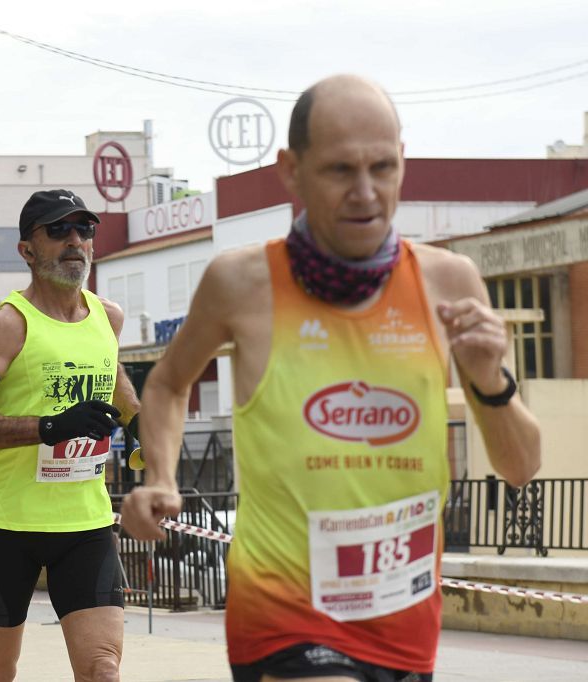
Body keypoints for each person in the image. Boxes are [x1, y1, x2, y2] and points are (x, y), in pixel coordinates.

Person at [120, 75, 541, 682]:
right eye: (341, 170)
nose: (366, 192)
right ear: (291, 170)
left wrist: (490, 380)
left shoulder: (449, 283)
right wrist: (160, 476)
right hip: (284, 610)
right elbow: (166, 382)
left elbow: (522, 467)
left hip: (405, 619)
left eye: (383, 167)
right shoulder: (242, 283)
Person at [0, 189, 141, 682]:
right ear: (27, 250)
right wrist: (49, 428)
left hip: (86, 523)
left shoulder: (107, 318)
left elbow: (121, 393)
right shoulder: (8, 325)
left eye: (84, 230)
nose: (75, 241)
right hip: (11, 527)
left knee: (102, 670)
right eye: (58, 231)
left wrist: (143, 433)